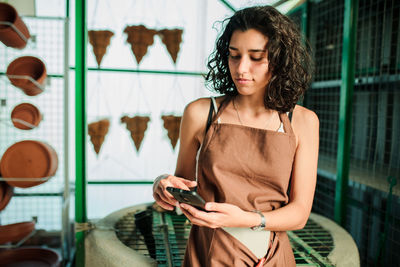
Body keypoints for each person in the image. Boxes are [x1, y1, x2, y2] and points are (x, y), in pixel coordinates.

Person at [153, 5, 319, 267]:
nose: (241, 68)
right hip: (209, 252)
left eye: (256, 57)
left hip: (269, 255)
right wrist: (164, 186)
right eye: (234, 55)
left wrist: (246, 219)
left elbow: (299, 214)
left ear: (279, 59)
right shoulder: (200, 113)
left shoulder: (303, 121)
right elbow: (181, 193)